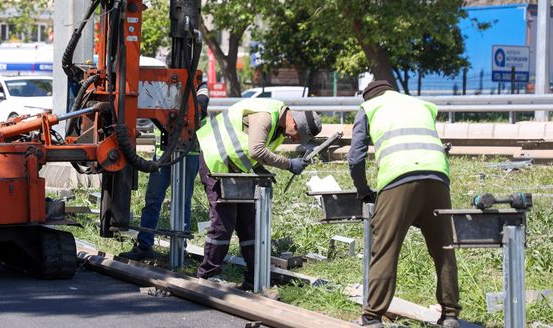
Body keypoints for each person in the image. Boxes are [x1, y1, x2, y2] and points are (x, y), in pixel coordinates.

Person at [349, 80, 460, 328]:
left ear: (368, 97)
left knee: (385, 247)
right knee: (443, 248)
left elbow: (355, 157)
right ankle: (450, 314)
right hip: (437, 178)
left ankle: (372, 316)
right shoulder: (422, 105)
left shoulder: (369, 108)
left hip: (398, 178)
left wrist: (363, 191)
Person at [196, 98, 321, 290]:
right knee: (223, 222)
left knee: (248, 223)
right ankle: (207, 276)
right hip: (216, 160)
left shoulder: (279, 127)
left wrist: (260, 170)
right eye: (297, 136)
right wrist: (288, 164)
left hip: (235, 166)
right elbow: (256, 150)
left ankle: (254, 279)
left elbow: (247, 148)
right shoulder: (266, 117)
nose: (294, 140)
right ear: (294, 123)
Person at [120, 70, 210, 261]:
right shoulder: (165, 85)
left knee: (182, 202)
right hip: (164, 154)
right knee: (152, 200)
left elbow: (200, 109)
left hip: (188, 152)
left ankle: (179, 249)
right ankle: (145, 245)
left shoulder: (201, 87)